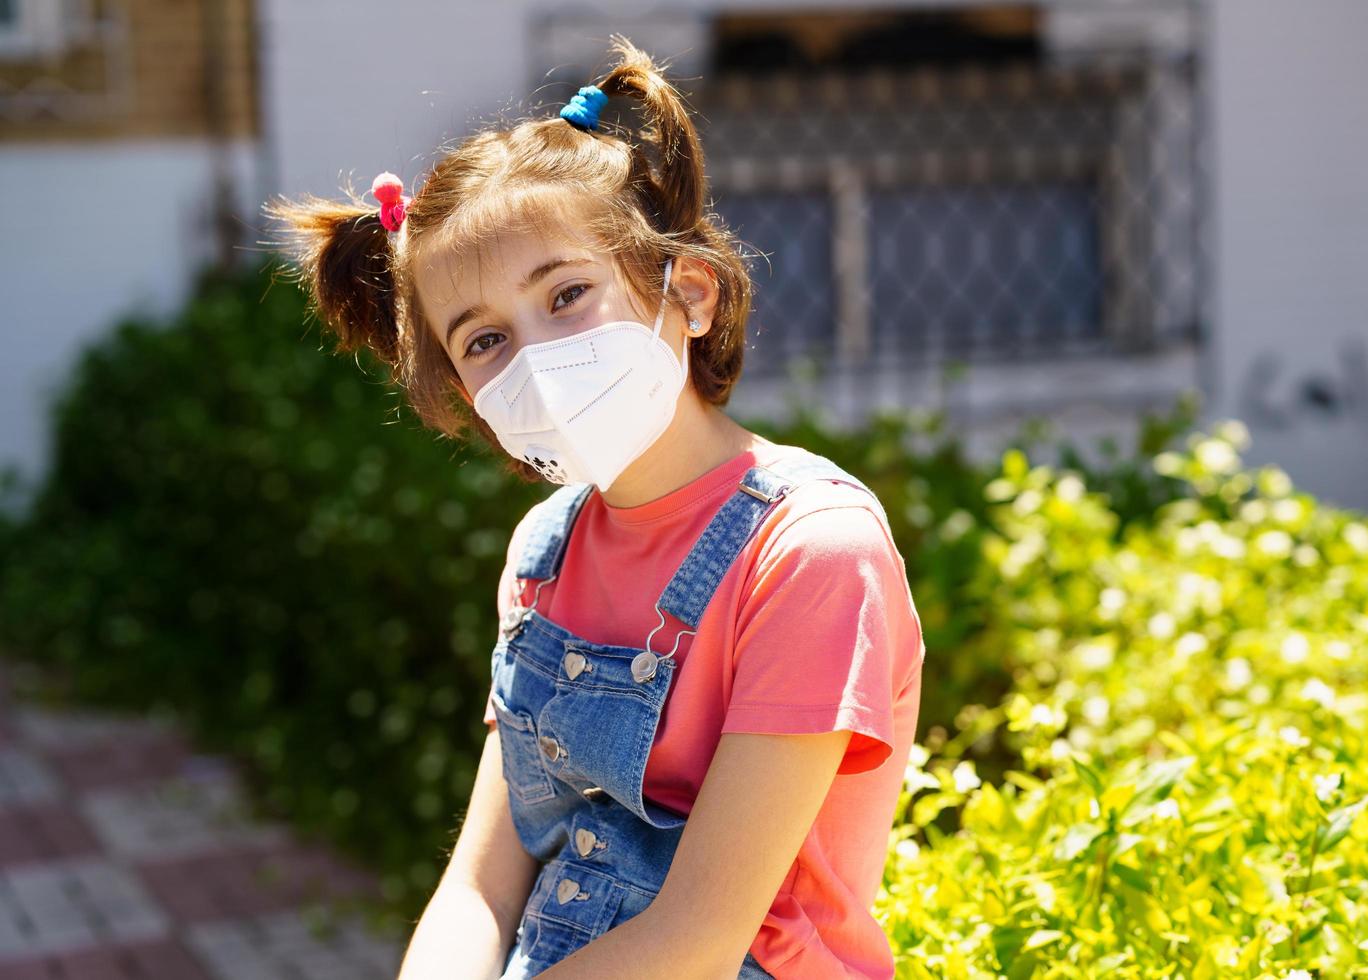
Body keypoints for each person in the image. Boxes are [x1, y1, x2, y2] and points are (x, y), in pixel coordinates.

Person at [266, 35, 924, 980]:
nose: (534, 357)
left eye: (567, 295)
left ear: (687, 291)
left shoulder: (812, 554)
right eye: (484, 340)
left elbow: (696, 941)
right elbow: (479, 889)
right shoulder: (544, 551)